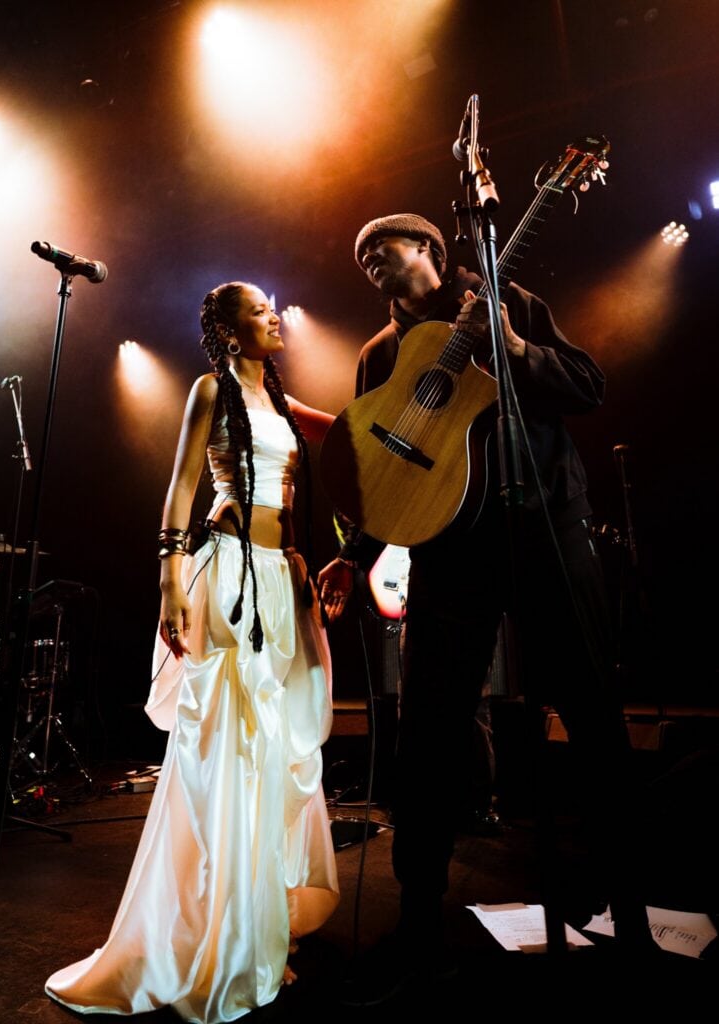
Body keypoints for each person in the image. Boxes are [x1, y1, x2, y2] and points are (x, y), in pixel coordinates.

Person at [318, 214, 656, 984]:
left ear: (433, 250)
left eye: (385, 245)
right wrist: (351, 555)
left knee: (593, 715)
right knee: (428, 736)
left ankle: (627, 905)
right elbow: (379, 467)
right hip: (449, 553)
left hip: (544, 532)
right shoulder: (379, 354)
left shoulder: (511, 300)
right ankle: (417, 916)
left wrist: (514, 348)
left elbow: (587, 385)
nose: (370, 259)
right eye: (361, 253)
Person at [45, 282, 340, 1022]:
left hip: (279, 580)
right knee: (230, 750)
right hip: (228, 575)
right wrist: (169, 579)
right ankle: (219, 936)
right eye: (259, 309)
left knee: (275, 754)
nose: (275, 314)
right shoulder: (211, 389)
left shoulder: (278, 397)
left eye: (275, 307)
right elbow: (180, 491)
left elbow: (342, 444)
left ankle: (259, 926)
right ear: (228, 331)